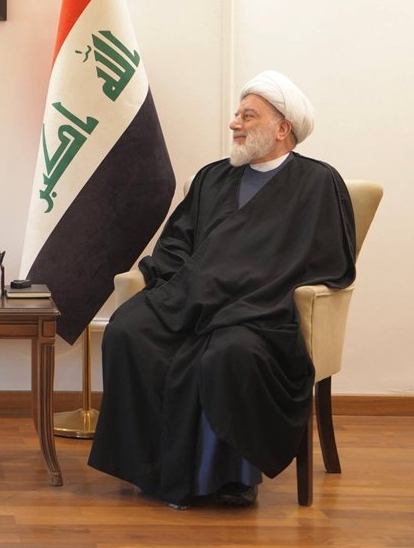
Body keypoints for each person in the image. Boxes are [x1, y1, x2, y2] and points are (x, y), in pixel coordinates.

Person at [88, 70, 356, 508]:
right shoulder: (213, 177)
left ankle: (228, 479)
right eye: (237, 114)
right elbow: (177, 244)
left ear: (282, 128)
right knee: (126, 330)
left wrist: (246, 282)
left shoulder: (318, 182)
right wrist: (183, 282)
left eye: (248, 116)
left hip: (260, 309)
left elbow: (325, 260)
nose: (235, 123)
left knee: (231, 353)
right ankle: (148, 467)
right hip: (191, 297)